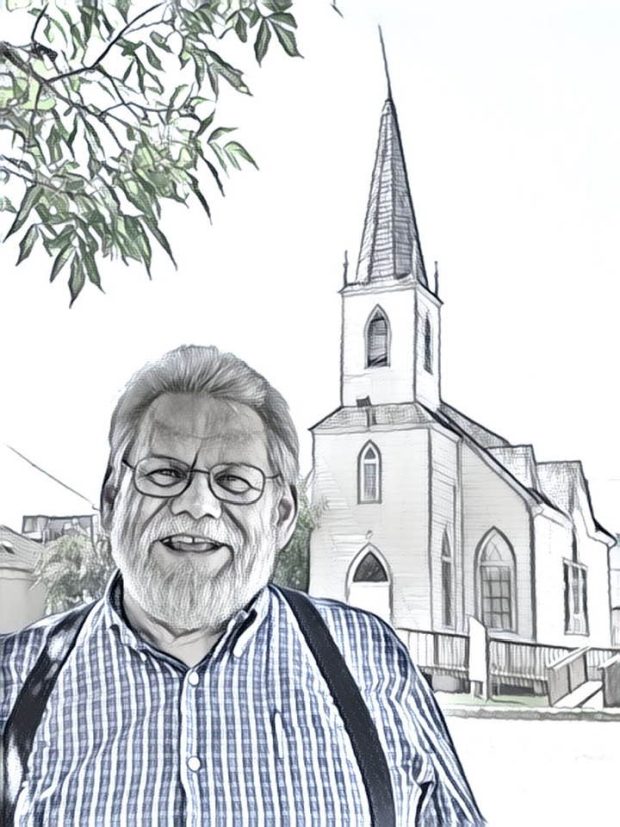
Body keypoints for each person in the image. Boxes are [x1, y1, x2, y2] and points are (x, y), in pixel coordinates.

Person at [0, 345, 484, 826]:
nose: (196, 504)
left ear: (282, 516)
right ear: (110, 499)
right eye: (165, 473)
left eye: (234, 481)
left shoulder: (370, 659)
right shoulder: (13, 680)